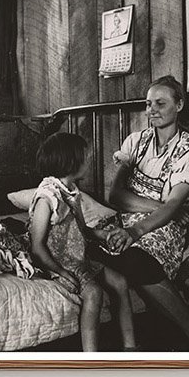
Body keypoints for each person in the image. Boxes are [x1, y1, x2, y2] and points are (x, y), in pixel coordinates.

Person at [104, 75, 189, 351]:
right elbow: (115, 196)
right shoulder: (135, 142)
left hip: (163, 227)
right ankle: (184, 279)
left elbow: (173, 206)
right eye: (148, 103)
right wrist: (163, 208)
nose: (151, 110)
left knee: (134, 259)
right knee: (102, 250)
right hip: (136, 219)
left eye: (160, 103)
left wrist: (137, 230)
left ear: (179, 105)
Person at [28, 132, 136, 352]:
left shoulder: (71, 192)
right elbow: (37, 246)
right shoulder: (46, 197)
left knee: (120, 282)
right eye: (84, 157)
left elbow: (82, 229)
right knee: (94, 293)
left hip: (78, 257)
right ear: (70, 161)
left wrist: (103, 234)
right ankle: (90, 356)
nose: (89, 160)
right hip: (56, 262)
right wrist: (61, 271)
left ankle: (131, 347)